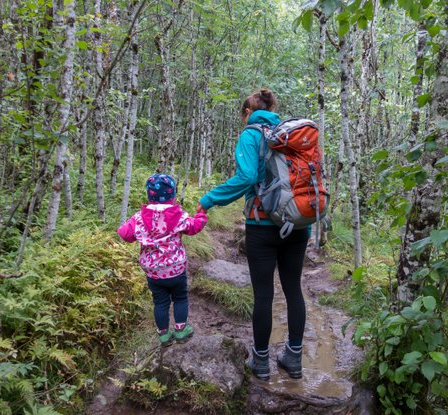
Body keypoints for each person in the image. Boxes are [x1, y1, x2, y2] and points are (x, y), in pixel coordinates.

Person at [197, 88, 308, 381]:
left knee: (263, 295)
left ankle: (261, 363)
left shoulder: (250, 135)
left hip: (262, 224)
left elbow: (246, 177)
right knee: (293, 288)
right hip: (297, 223)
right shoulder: (292, 135)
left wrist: (209, 199)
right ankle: (293, 359)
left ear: (248, 112)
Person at [118, 173, 207, 347]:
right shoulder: (178, 214)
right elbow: (195, 227)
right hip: (176, 269)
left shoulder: (139, 218)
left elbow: (124, 233)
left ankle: (164, 336)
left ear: (149, 195)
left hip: (153, 272)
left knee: (160, 302)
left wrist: (137, 233)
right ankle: (181, 330)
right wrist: (201, 215)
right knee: (180, 298)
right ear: (172, 195)